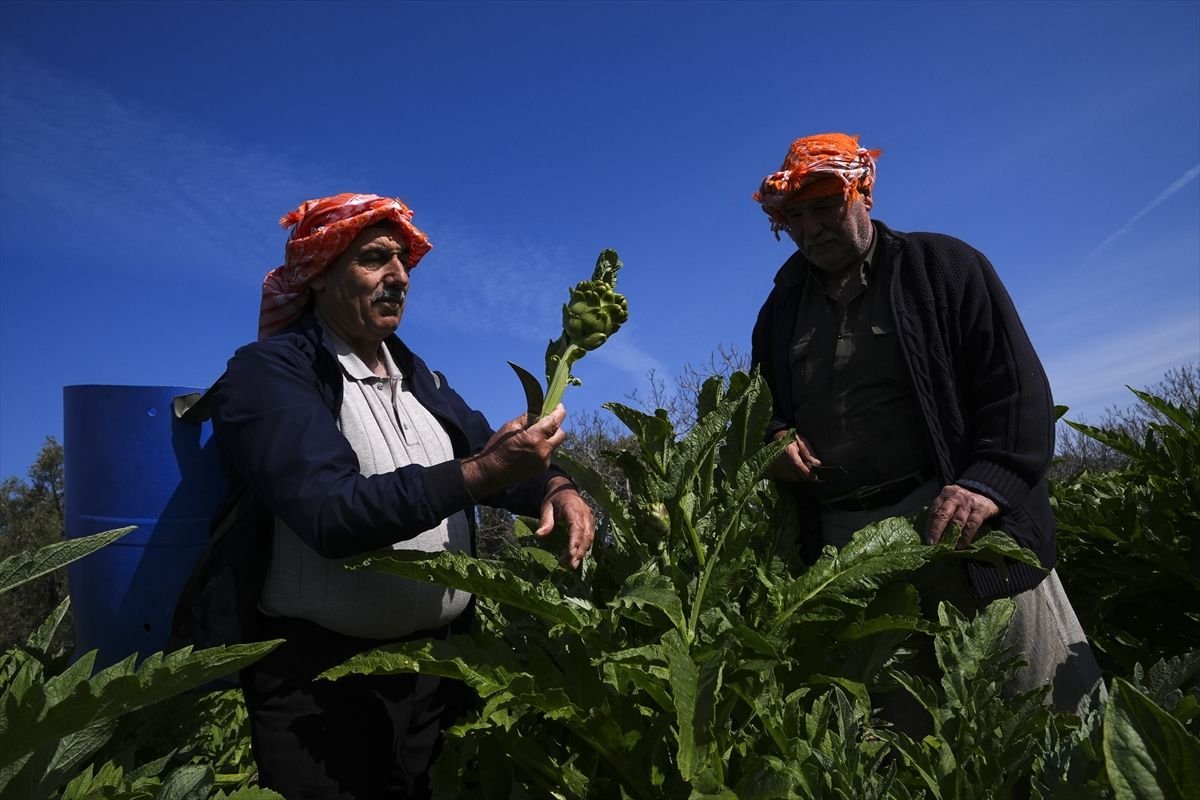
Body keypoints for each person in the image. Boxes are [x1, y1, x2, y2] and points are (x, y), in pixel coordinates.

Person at [173, 192, 594, 799]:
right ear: (318, 273)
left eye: (403, 261)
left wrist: (557, 485)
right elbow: (330, 512)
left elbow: (491, 451)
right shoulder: (270, 374)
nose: (398, 276)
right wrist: (480, 474)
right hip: (321, 692)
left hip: (437, 677)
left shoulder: (419, 377)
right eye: (374, 259)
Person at [749, 133, 1102, 728]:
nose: (811, 229)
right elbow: (758, 410)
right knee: (905, 729)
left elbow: (1016, 389)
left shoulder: (941, 267)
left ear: (862, 194)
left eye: (825, 208)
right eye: (796, 216)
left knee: (1045, 715)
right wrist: (775, 438)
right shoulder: (779, 310)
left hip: (960, 526)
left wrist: (987, 485)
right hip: (845, 542)